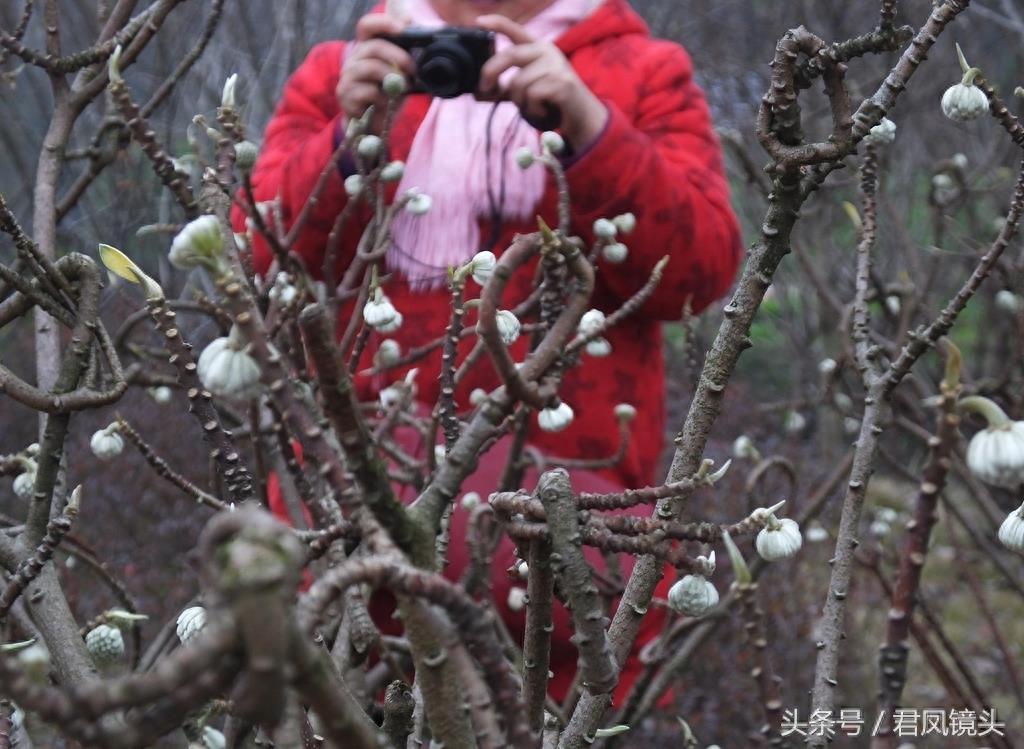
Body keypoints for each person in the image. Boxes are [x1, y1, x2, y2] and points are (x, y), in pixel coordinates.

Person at [235, 0, 741, 705]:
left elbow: (701, 271)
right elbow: (257, 252)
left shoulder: (639, 72)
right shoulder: (348, 71)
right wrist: (348, 139)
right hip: (349, 539)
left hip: (564, 550)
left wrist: (589, 125)